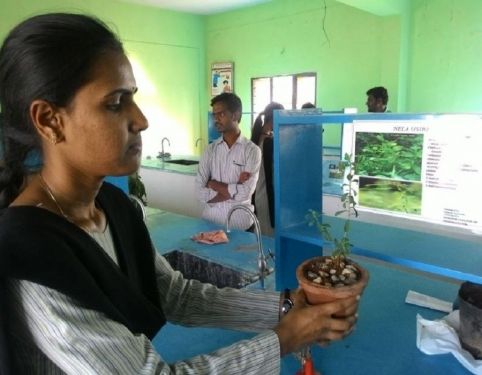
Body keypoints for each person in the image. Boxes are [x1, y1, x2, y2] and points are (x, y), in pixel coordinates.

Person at [0, 13, 359, 374]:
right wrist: (285, 338)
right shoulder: (30, 254)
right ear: (49, 120)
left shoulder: (116, 207)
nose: (140, 120)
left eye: (133, 98)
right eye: (114, 103)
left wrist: (284, 306)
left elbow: (176, 295)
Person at [196, 92, 261, 231]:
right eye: (215, 115)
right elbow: (200, 193)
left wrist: (213, 184)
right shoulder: (210, 150)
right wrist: (234, 188)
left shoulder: (252, 151)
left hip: (241, 227)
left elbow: (245, 193)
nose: (216, 119)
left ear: (235, 115)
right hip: (210, 224)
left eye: (221, 114)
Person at [251, 102, 284, 236]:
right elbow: (274, 174)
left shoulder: (256, 139)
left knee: (261, 235)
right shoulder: (269, 142)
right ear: (276, 118)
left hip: (258, 196)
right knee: (269, 238)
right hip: (267, 199)